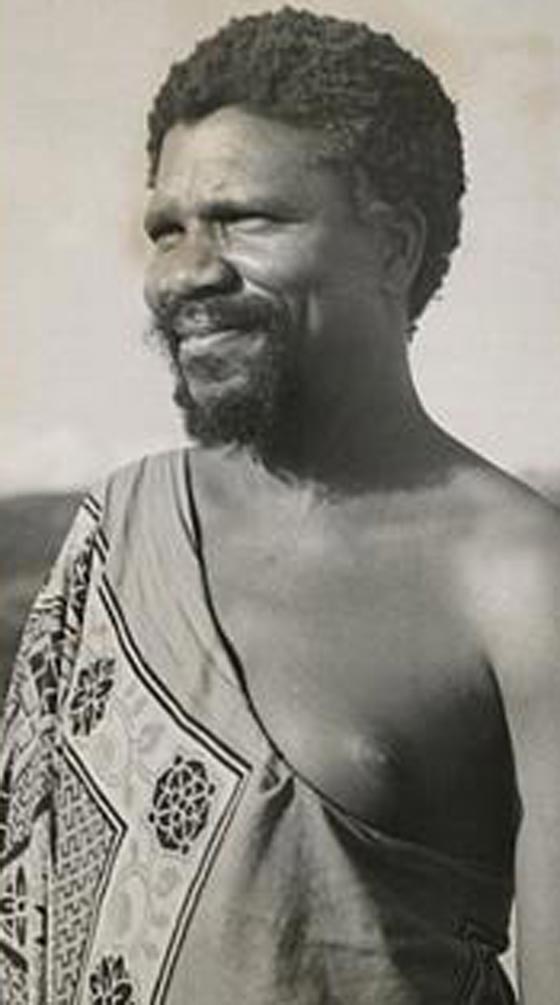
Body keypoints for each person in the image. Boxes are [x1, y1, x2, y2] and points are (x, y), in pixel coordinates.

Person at [1, 8, 559, 1003]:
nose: (185, 272)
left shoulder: (521, 585)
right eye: (166, 229)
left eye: (246, 218)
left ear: (392, 247)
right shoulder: (123, 528)